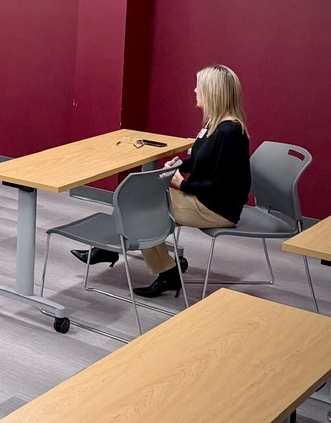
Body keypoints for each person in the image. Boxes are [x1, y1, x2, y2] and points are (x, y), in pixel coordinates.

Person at [73, 65, 252, 299]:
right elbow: (205, 162)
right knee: (138, 199)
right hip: (201, 198)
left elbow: (223, 185)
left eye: (199, 85)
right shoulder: (214, 125)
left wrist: (181, 184)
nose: (194, 89)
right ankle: (115, 252)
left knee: (141, 208)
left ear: (212, 91)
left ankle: (155, 268)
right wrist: (181, 166)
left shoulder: (230, 132)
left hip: (216, 209)